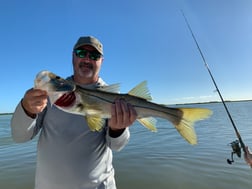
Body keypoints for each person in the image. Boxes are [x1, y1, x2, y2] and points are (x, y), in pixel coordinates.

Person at [11, 36, 137, 189]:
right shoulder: (53, 92)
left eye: (94, 56)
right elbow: (20, 136)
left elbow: (117, 146)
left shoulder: (113, 99)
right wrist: (27, 109)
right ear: (73, 56)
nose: (87, 59)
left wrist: (118, 130)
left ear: (101, 61)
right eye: (81, 53)